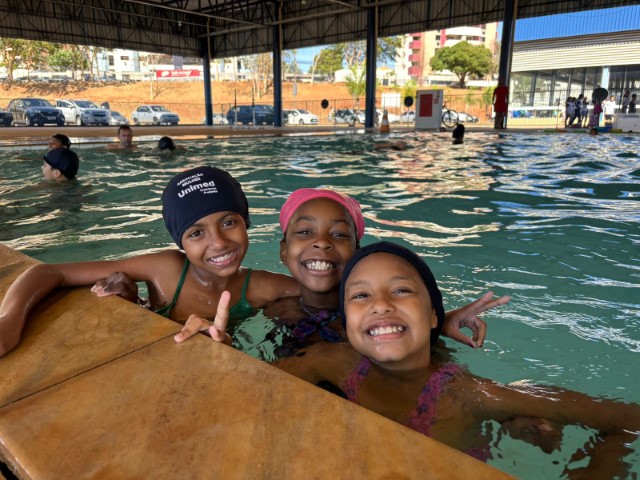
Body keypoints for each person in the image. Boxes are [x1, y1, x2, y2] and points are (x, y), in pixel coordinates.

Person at [272, 241, 640, 472]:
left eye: (401, 291)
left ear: (433, 315)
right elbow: (259, 387)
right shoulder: (330, 361)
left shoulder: (466, 395)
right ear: (347, 321)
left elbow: (628, 418)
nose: (380, 304)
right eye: (361, 296)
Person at [0, 166, 299, 357]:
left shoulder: (266, 286)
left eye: (229, 222)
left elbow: (321, 298)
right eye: (196, 233)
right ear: (180, 242)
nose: (219, 242)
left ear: (246, 222)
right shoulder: (166, 269)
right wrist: (9, 321)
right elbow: (50, 271)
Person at [177, 188, 509, 350]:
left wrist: (432, 323)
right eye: (305, 232)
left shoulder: (370, 315)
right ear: (283, 251)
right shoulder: (274, 307)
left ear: (357, 254)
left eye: (338, 235)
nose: (322, 243)